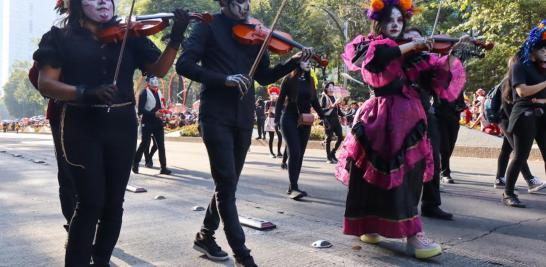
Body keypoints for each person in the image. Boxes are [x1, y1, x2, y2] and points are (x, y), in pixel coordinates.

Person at [33, 0, 189, 265]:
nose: (105, 1)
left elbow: (159, 70)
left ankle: (102, 260)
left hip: (122, 125)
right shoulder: (60, 37)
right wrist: (84, 92)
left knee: (114, 203)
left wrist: (175, 38)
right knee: (90, 203)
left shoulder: (130, 35)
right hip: (80, 125)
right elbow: (46, 83)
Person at [175, 0, 313, 265]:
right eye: (238, 1)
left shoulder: (257, 34)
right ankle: (242, 255)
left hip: (243, 117)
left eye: (247, 0)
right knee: (226, 186)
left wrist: (293, 62)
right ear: (223, 2)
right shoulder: (208, 26)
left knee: (227, 184)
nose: (245, 6)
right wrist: (223, 79)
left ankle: (205, 235)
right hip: (215, 115)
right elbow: (184, 64)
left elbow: (263, 77)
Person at [336, 0, 467, 259]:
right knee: (369, 179)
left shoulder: (412, 52)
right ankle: (369, 225)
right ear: (379, 23)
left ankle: (412, 236)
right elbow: (379, 58)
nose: (395, 25)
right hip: (378, 116)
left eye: (399, 20)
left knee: (409, 177)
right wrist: (416, 44)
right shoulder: (368, 45)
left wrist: (451, 56)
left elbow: (435, 78)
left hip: (408, 119)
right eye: (389, 20)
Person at [402, 28, 455, 220]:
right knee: (404, 161)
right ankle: (402, 206)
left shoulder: (427, 61)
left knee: (434, 156)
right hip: (402, 114)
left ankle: (431, 204)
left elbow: (441, 81)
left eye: (419, 39)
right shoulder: (397, 59)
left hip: (425, 113)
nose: (417, 43)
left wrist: (449, 56)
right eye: (411, 39)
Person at [503, 21, 546, 207]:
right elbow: (522, 92)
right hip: (524, 115)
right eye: (542, 49)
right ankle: (508, 193)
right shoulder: (519, 66)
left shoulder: (542, 68)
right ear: (532, 49)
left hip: (543, 114)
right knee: (520, 156)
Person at [275, 59, 324, 200]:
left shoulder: (310, 82)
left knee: (300, 154)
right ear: (298, 63)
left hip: (305, 121)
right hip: (289, 119)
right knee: (294, 152)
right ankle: (294, 187)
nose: (308, 64)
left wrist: (323, 117)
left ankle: (293, 186)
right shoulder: (289, 79)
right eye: (305, 61)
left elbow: (314, 102)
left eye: (310, 62)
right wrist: (277, 119)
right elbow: (280, 100)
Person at [133, 76, 172, 175]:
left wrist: (166, 113)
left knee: (161, 145)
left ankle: (163, 167)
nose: (155, 82)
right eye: (152, 80)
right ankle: (135, 163)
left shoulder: (159, 92)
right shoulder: (144, 93)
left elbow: (161, 106)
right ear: (148, 82)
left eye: (156, 80)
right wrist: (154, 114)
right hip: (147, 122)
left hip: (158, 123)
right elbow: (141, 110)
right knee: (144, 144)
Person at [321, 81, 344, 164]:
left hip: (336, 120)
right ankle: (328, 157)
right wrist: (332, 106)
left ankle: (333, 153)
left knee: (341, 137)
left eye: (332, 87)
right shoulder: (324, 97)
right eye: (329, 87)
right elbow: (321, 111)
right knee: (328, 138)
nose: (331, 88)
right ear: (326, 88)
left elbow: (337, 110)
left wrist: (343, 115)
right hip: (328, 120)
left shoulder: (334, 97)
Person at [265, 86, 283, 158]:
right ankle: (271, 152)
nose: (273, 95)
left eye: (275, 94)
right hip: (270, 120)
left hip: (278, 120)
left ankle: (279, 152)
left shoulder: (279, 102)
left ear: (277, 94)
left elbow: (282, 111)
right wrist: (268, 111)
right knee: (271, 137)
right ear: (269, 94)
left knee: (280, 136)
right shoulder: (268, 102)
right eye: (272, 94)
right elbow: (265, 112)